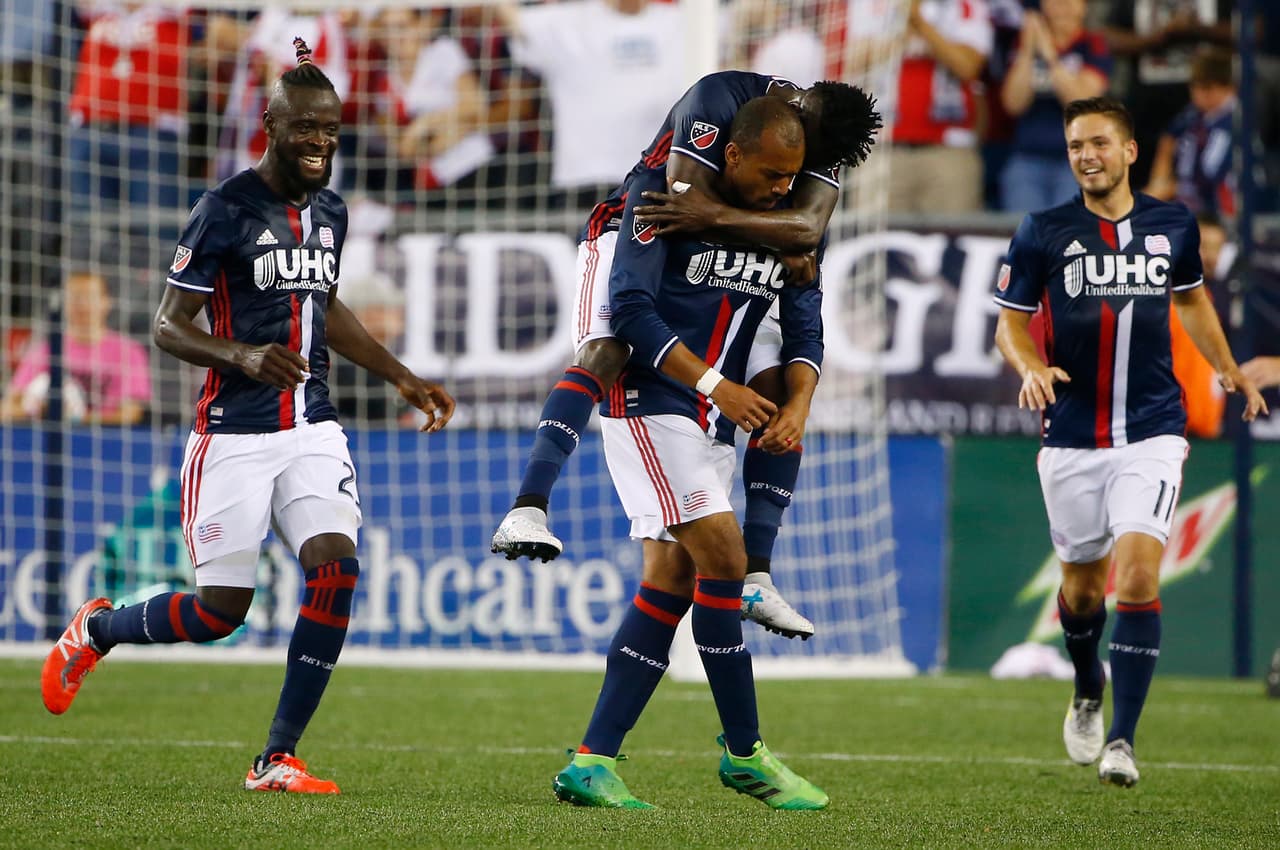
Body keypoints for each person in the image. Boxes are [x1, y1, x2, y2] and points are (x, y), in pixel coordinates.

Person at [40, 39, 456, 795]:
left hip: (312, 426)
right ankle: (96, 629)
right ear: (270, 125)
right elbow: (167, 326)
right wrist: (241, 355)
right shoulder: (223, 209)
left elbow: (323, 304)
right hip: (232, 434)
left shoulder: (331, 210)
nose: (320, 143)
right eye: (306, 128)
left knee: (336, 570)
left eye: (331, 130)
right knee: (220, 613)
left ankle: (277, 757)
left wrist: (401, 375)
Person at [489, 69, 880, 640]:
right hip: (637, 227)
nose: (796, 181)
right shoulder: (719, 96)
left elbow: (806, 229)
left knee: (776, 389)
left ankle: (760, 574)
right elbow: (682, 199)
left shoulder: (817, 143)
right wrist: (780, 234)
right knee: (610, 346)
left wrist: (751, 227)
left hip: (724, 255)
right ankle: (528, 507)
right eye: (783, 172)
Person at [552, 97, 827, 810]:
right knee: (725, 561)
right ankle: (746, 754)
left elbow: (805, 329)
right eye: (770, 173)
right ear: (730, 155)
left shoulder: (793, 226)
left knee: (671, 580)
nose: (782, 188)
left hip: (712, 416)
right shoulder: (662, 202)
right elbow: (631, 315)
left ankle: (591, 762)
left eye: (792, 176)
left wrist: (795, 405)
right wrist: (718, 385)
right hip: (652, 398)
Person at [992, 96, 1266, 788]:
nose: (1087, 156)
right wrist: (1030, 367)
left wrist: (1227, 368)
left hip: (1153, 427)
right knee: (1083, 593)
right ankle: (1087, 682)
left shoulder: (1173, 224)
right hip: (1072, 434)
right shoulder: (1043, 230)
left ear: (1130, 151)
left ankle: (1123, 739)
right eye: (1075, 146)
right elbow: (1010, 322)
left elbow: (1192, 299)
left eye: (1099, 143)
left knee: (1138, 576)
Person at [998, 0, 1110, 212]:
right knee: (1026, 228)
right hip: (1027, 157)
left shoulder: (1092, 43)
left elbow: (1081, 104)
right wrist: (1027, 50)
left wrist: (1049, 53)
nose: (1062, 6)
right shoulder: (1025, 42)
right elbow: (1013, 104)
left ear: (1084, 6)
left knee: (1068, 230)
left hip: (1077, 160)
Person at [0, 270, 151, 425]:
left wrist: (77, 418)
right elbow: (6, 408)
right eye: (74, 297)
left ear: (106, 302)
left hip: (106, 436)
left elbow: (131, 414)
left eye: (89, 297)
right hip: (50, 434)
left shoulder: (129, 352)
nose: (82, 305)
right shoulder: (46, 350)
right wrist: (38, 409)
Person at [887, 0, 992, 214]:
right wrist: (902, 40)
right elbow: (847, 61)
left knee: (952, 232)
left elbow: (968, 66)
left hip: (948, 150)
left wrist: (919, 23)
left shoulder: (967, 6)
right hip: (882, 149)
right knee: (876, 234)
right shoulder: (869, 5)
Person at [1144, 47, 1237, 219]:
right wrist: (1158, 182)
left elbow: (1210, 174)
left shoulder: (1233, 122)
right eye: (1195, 87)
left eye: (1205, 89)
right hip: (1184, 199)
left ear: (1226, 88)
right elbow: (1168, 138)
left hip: (1216, 208)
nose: (1197, 95)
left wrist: (1169, 189)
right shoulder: (1193, 114)